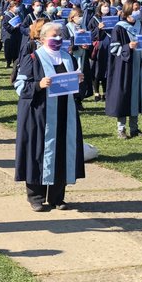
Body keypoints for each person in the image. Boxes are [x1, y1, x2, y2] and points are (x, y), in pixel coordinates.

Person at [13, 21, 85, 212]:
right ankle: (35, 197)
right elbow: (20, 86)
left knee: (61, 154)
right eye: (54, 36)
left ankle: (57, 196)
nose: (58, 39)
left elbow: (74, 88)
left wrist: (79, 80)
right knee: (37, 154)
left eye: (61, 35)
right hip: (39, 115)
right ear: (43, 38)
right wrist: (39, 84)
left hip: (63, 114)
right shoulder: (33, 58)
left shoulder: (67, 57)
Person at [105, 1, 142, 139]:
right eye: (135, 9)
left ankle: (135, 128)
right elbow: (113, 49)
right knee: (123, 97)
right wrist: (128, 46)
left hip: (139, 66)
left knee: (136, 95)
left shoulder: (140, 25)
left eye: (139, 8)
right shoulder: (119, 28)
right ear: (128, 10)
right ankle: (121, 129)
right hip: (124, 67)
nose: (138, 11)